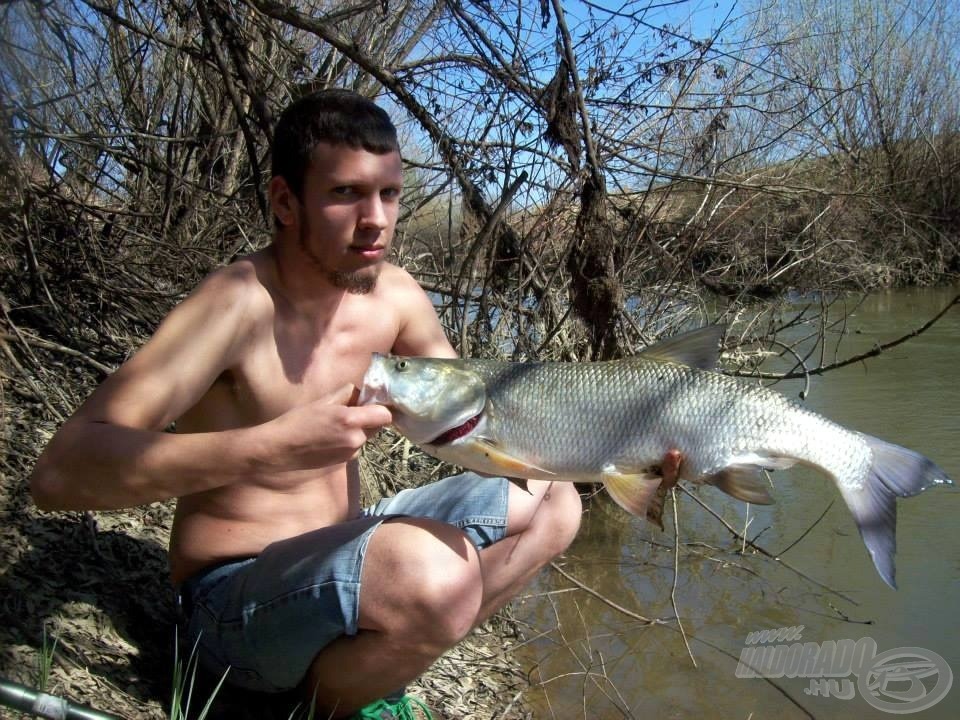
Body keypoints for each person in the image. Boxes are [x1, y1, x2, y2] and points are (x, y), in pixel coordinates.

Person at [30, 89, 681, 718]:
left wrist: (635, 452)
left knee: (554, 501)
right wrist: (268, 447)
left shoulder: (395, 298)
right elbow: (61, 474)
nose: (377, 219)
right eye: (346, 194)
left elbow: (490, 426)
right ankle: (313, 710)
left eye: (389, 193)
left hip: (340, 550)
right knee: (433, 575)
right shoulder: (234, 305)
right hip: (231, 606)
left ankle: (358, 682)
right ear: (286, 201)